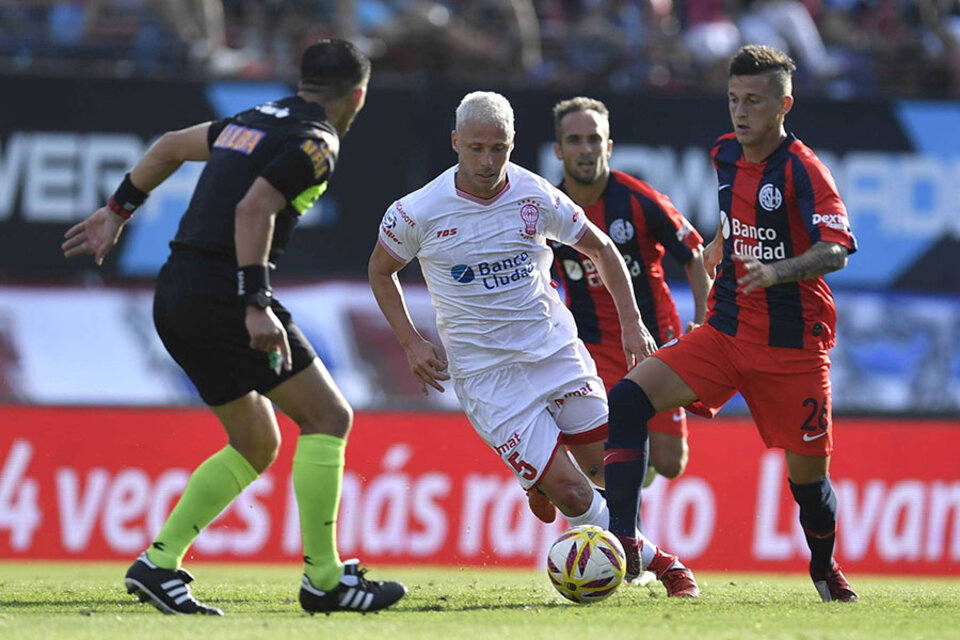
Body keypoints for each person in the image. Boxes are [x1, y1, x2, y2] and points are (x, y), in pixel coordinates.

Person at [61, 38, 406, 616]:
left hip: (177, 292)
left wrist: (115, 210)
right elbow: (254, 209)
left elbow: (171, 145)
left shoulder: (252, 119)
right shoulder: (318, 141)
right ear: (358, 95)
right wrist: (254, 303)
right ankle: (324, 579)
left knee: (256, 441)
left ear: (304, 82)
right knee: (329, 417)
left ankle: (158, 564)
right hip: (224, 296)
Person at [368, 91, 699, 597]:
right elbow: (380, 269)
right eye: (475, 148)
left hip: (553, 351)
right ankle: (660, 561)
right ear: (456, 142)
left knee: (608, 464)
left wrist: (631, 322)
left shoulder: (534, 193)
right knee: (571, 491)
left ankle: (543, 485)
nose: (486, 161)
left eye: (498, 148)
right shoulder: (417, 211)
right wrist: (412, 343)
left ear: (513, 144)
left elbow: (601, 247)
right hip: (487, 375)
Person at [602, 44, 859, 602]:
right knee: (626, 401)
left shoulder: (804, 169)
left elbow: (838, 248)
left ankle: (824, 571)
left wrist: (780, 271)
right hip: (725, 331)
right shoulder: (723, 153)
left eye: (754, 102)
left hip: (793, 349)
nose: (741, 112)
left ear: (784, 104)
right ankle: (623, 537)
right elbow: (734, 212)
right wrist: (722, 242)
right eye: (733, 100)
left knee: (808, 487)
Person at [550, 96, 710, 487]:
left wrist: (706, 325)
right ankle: (618, 536)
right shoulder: (548, 209)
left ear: (608, 147)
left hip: (655, 338)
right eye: (574, 140)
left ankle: (638, 469)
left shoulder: (639, 199)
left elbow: (697, 256)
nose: (585, 150)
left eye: (593, 139)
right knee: (604, 464)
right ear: (558, 150)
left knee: (671, 463)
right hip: (594, 345)